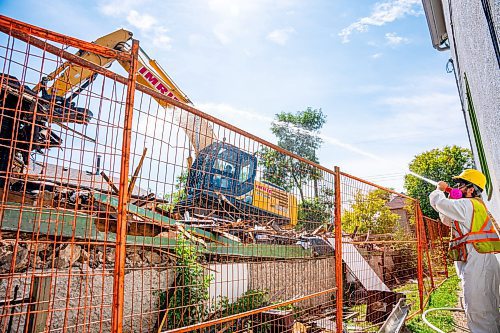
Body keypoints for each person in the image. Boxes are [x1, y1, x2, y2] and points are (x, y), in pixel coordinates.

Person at [429, 169, 500, 332]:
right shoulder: (473, 205)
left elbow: (439, 204)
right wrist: (449, 193)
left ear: (471, 190)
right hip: (482, 262)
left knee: (479, 313)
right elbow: (446, 218)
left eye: (461, 185)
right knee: (488, 311)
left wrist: (438, 191)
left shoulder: (468, 205)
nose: (457, 188)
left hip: (478, 265)